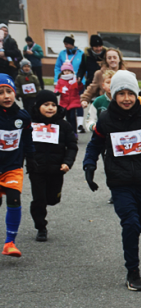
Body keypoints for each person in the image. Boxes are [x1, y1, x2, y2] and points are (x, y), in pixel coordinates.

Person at [82, 70, 141, 291]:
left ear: (136, 94)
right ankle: (133, 272)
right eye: (121, 93)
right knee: (131, 223)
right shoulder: (106, 120)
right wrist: (89, 166)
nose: (126, 98)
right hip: (119, 182)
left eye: (130, 93)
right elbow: (95, 145)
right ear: (113, 95)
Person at [28, 89, 78, 242]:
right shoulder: (30, 124)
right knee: (39, 199)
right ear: (37, 106)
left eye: (53, 105)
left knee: (52, 199)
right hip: (36, 169)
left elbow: (72, 146)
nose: (50, 108)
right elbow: (23, 144)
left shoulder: (63, 125)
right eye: (46, 104)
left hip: (57, 169)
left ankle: (53, 197)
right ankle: (41, 227)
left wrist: (67, 162)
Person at [0, 74, 34, 257]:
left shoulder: (23, 116)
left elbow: (28, 140)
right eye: (1, 93)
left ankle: (10, 242)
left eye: (9, 91)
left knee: (14, 199)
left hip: (13, 167)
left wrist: (32, 158)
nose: (6, 96)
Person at [54, 60, 83, 135]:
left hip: (73, 101)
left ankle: (74, 132)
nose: (66, 72)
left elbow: (79, 88)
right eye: (65, 70)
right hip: (64, 102)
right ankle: (69, 132)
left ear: (71, 71)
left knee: (73, 117)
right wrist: (57, 92)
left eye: (68, 70)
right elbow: (57, 87)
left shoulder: (74, 79)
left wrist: (79, 83)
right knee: (67, 118)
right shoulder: (61, 80)